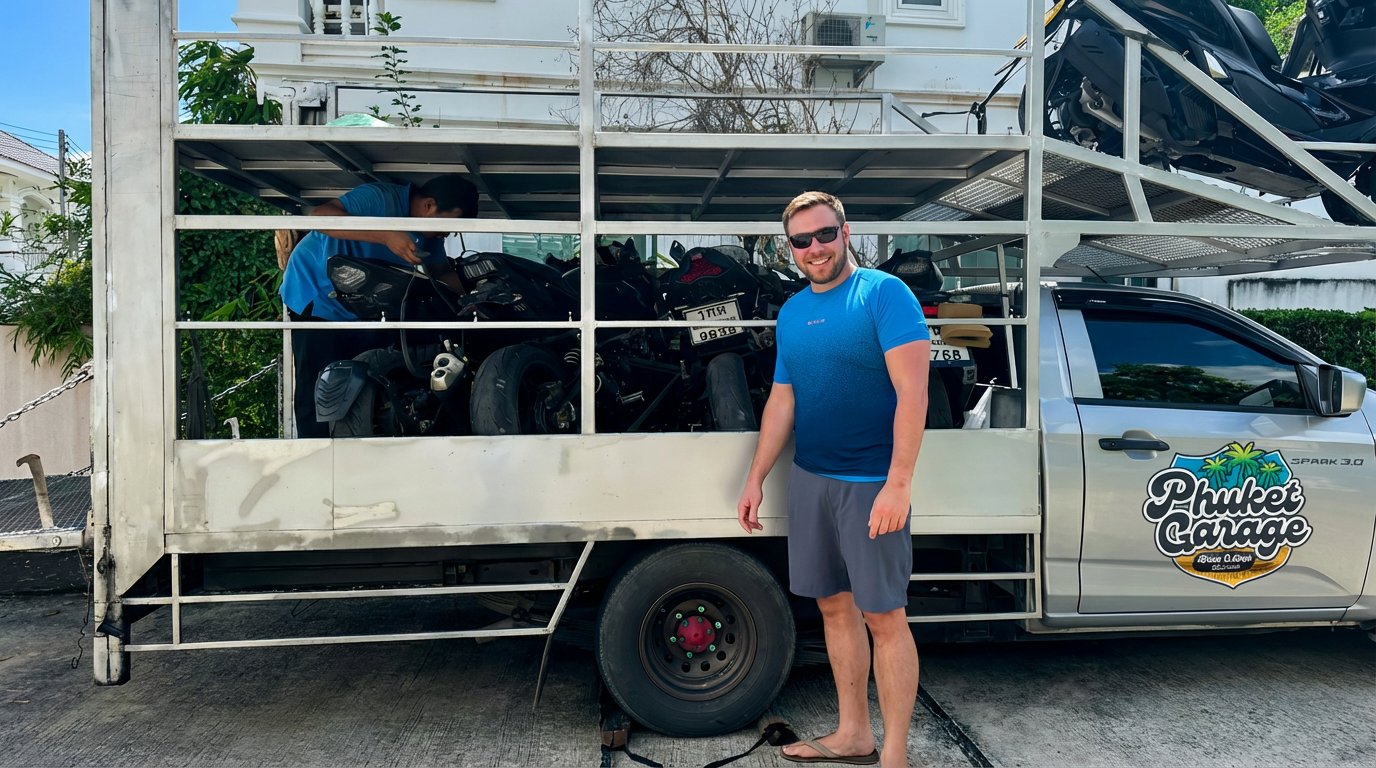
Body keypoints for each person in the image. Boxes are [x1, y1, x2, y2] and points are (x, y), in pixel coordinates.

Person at [737, 191, 930, 768]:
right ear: (789, 248)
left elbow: (913, 393)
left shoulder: (884, 294)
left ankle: (893, 755)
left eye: (825, 234)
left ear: (846, 233)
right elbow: (783, 399)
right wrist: (756, 478)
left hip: (871, 483)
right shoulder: (792, 312)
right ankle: (854, 734)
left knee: (884, 617)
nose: (815, 248)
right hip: (811, 479)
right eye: (802, 240)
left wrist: (898, 483)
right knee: (833, 608)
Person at [280, 176, 478, 437]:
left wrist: (470, 301)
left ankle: (361, 443)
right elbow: (320, 216)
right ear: (429, 206)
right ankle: (314, 449)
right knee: (318, 381)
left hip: (363, 308)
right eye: (449, 225)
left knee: (366, 377)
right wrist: (386, 235)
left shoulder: (429, 233)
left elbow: (441, 271)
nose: (448, 234)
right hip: (316, 294)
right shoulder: (379, 198)